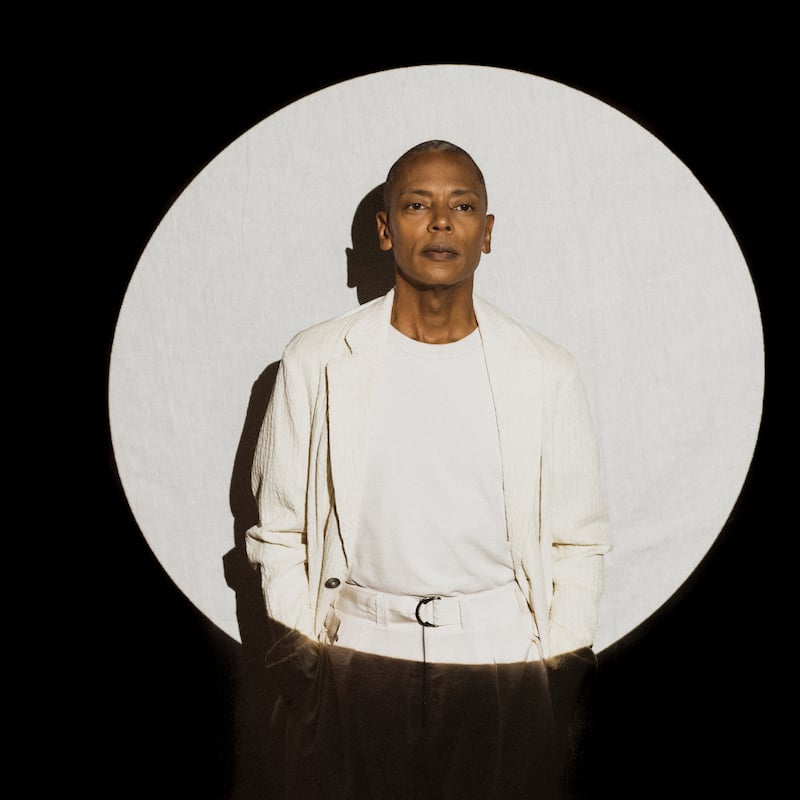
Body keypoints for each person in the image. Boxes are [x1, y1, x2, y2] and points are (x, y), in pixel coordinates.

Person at [245, 140, 611, 799]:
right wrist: (303, 666)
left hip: (502, 656)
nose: (441, 222)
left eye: (462, 206)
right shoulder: (315, 359)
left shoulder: (544, 369)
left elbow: (578, 539)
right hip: (355, 650)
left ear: (487, 232)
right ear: (386, 230)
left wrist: (555, 671)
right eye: (418, 205)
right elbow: (278, 530)